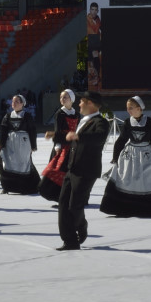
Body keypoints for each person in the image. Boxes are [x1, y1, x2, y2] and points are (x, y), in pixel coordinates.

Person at [100, 96, 151, 218]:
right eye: (127, 108)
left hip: (146, 155)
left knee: (148, 181)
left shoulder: (148, 121)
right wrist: (116, 157)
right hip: (130, 156)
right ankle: (126, 208)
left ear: (139, 108)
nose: (128, 110)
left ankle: (149, 208)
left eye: (131, 108)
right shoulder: (128, 122)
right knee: (128, 181)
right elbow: (122, 139)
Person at [56, 90, 111, 251]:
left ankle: (81, 226)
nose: (79, 104)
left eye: (82, 101)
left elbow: (99, 138)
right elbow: (71, 138)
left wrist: (78, 137)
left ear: (90, 104)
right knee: (63, 205)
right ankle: (70, 241)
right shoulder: (83, 120)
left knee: (75, 205)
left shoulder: (100, 122)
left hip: (87, 170)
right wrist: (55, 136)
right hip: (72, 168)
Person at [39, 89, 78, 203]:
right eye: (61, 97)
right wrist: (57, 146)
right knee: (57, 170)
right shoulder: (59, 113)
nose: (62, 99)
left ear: (71, 99)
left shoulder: (76, 114)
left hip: (73, 146)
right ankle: (56, 195)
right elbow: (58, 131)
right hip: (62, 146)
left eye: (65, 97)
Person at [0, 93, 39, 194]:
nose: (14, 103)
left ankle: (25, 187)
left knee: (23, 165)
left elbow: (32, 131)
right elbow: (3, 130)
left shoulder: (27, 116)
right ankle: (8, 186)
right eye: (13, 101)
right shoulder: (7, 116)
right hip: (10, 143)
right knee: (9, 164)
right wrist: (1, 143)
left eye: (17, 101)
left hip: (23, 144)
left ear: (22, 104)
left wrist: (33, 145)